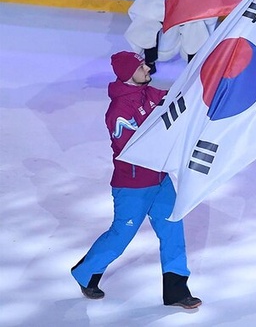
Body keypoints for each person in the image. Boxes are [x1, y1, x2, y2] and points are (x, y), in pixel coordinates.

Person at [70, 51, 201, 309]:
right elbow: (134, 147)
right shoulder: (118, 110)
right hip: (133, 187)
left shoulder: (148, 94)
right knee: (120, 237)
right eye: (141, 66)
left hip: (160, 180)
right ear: (129, 73)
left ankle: (177, 291)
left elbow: (177, 100)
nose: (147, 68)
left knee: (173, 230)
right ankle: (85, 272)